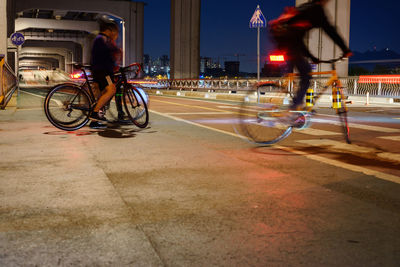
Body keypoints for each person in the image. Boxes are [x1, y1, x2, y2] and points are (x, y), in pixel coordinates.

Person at [269, 0, 352, 110]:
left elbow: (299, 39)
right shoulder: (317, 10)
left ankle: (297, 104)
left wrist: (312, 57)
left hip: (284, 37)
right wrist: (345, 49)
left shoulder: (307, 7)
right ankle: (295, 107)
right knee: (306, 75)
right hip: (287, 39)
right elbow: (331, 31)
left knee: (301, 67)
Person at [89, 15, 121, 129]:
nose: (115, 34)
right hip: (102, 71)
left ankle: (96, 119)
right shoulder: (101, 39)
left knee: (103, 95)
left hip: (100, 70)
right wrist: (116, 50)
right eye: (115, 31)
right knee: (112, 89)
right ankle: (94, 113)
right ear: (109, 30)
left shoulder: (102, 39)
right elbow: (105, 53)